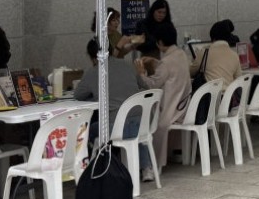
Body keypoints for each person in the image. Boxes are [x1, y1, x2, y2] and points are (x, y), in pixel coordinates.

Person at [74, 39, 146, 167]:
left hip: (114, 126)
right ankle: (146, 169)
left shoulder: (94, 72)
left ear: (93, 57)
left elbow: (78, 95)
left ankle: (101, 166)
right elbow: (143, 85)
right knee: (129, 127)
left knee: (90, 129)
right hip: (140, 121)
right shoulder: (128, 64)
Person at [135, 21, 191, 182]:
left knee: (149, 120)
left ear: (159, 43)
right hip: (184, 106)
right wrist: (156, 63)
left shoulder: (166, 63)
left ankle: (151, 164)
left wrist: (141, 73)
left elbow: (151, 85)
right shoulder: (181, 54)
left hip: (170, 110)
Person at [189, 20, 242, 87]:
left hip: (210, 96)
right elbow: (239, 79)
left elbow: (191, 72)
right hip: (228, 96)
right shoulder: (234, 55)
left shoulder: (205, 52)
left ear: (213, 38)